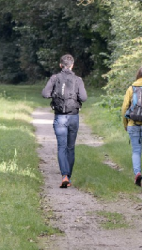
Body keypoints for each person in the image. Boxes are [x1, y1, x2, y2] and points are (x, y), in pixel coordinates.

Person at [42, 53, 87, 188]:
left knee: (61, 147)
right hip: (73, 116)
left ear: (60, 65)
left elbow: (45, 93)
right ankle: (69, 177)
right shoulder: (78, 79)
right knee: (70, 147)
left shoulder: (55, 78)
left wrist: (54, 95)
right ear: (72, 65)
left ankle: (64, 176)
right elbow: (84, 98)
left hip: (60, 116)